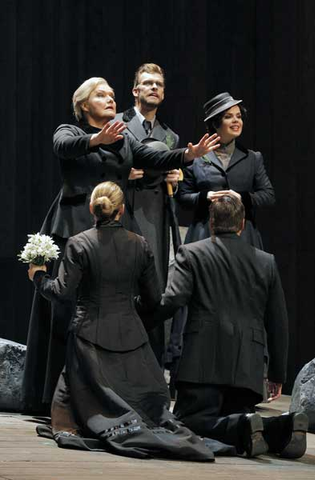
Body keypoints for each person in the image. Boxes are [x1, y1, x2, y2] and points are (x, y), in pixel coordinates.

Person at [22, 76, 220, 412]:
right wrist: (97, 139)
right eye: (101, 95)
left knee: (111, 312)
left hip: (112, 233)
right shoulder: (68, 131)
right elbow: (62, 148)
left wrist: (189, 155)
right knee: (67, 312)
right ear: (84, 105)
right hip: (74, 228)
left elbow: (151, 157)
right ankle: (53, 397)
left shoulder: (124, 137)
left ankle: (103, 394)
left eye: (112, 95)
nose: (110, 99)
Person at [26, 181, 216, 461]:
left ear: (92, 208)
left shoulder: (79, 243)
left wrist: (39, 276)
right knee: (149, 407)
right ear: (122, 210)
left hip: (87, 339)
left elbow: (60, 293)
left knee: (73, 402)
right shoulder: (140, 244)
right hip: (132, 338)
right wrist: (126, 305)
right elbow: (154, 300)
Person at [146, 193, 308, 458]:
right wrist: (277, 374)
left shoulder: (192, 253)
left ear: (211, 223)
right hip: (247, 366)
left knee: (186, 424)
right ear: (242, 224)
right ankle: (280, 426)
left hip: (202, 363)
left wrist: (139, 318)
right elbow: (278, 321)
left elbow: (172, 301)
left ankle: (244, 425)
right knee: (240, 419)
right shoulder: (266, 261)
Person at [115, 63, 180, 366]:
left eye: (159, 84)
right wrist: (122, 174)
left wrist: (175, 182)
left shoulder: (170, 137)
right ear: (135, 90)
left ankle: (150, 365)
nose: (154, 87)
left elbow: (172, 181)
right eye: (148, 83)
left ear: (164, 94)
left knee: (153, 289)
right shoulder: (116, 124)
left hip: (154, 219)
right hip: (121, 214)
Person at [178, 92, 275, 249]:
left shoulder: (252, 157)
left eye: (239, 116)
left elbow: (268, 196)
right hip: (204, 234)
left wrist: (242, 197)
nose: (236, 120)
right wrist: (205, 197)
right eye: (229, 116)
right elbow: (183, 197)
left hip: (243, 236)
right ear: (216, 123)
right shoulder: (196, 157)